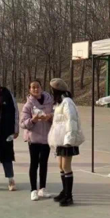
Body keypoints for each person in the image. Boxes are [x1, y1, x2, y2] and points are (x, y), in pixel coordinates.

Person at [47, 78, 84, 207]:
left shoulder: (67, 102)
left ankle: (69, 196)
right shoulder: (59, 103)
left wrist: (69, 139)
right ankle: (64, 191)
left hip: (67, 139)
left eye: (53, 90)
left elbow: (71, 120)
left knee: (66, 166)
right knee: (61, 166)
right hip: (60, 139)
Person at [21, 80, 54, 201]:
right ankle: (33, 190)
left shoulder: (49, 102)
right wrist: (33, 120)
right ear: (30, 90)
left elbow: (57, 116)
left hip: (46, 138)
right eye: (33, 87)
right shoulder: (28, 105)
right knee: (34, 163)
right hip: (34, 139)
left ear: (41, 88)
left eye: (37, 87)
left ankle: (42, 188)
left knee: (44, 163)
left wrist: (50, 117)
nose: (36, 89)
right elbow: (23, 124)